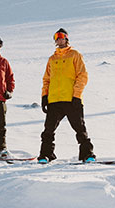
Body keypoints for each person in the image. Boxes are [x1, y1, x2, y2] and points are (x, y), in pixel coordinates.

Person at [37, 28, 96, 164]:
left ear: (66, 38)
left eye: (61, 37)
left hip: (71, 99)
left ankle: (87, 155)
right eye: (56, 37)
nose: (59, 39)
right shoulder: (52, 59)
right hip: (54, 100)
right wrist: (44, 96)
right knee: (48, 130)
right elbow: (47, 79)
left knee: (80, 128)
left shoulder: (75, 55)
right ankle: (45, 155)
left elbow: (82, 75)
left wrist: (76, 95)